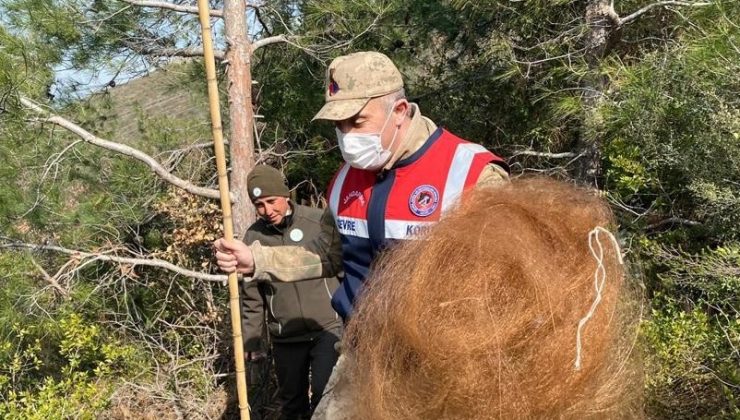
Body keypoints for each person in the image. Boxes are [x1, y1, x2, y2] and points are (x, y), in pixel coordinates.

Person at [214, 51, 510, 321]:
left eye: (357, 122)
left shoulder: (470, 173)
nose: (347, 137)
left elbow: (501, 281)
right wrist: (256, 258)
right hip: (359, 351)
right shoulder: (344, 180)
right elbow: (329, 254)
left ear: (399, 111)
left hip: (437, 360)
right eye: (339, 126)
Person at [327, 178, 643, 419]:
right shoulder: (344, 181)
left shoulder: (465, 167)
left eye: (357, 120)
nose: (346, 131)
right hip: (384, 360)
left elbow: (499, 240)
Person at [240, 165, 342, 420]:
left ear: (285, 195)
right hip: (285, 336)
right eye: (259, 204)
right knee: (293, 404)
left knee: (325, 395)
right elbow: (251, 294)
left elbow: (342, 268)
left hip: (326, 328)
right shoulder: (253, 237)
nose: (268, 210)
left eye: (272, 201)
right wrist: (253, 338)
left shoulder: (319, 221)